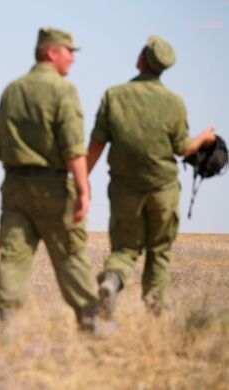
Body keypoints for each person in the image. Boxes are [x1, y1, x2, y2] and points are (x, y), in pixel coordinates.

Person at [87, 36, 216, 317]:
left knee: (123, 249)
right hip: (162, 190)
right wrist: (205, 138)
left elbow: (96, 143)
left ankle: (111, 282)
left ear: (140, 60)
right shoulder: (174, 102)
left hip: (124, 189)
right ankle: (155, 314)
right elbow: (183, 149)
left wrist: (82, 179)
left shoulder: (114, 96)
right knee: (159, 252)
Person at [0, 27, 100, 333]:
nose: (73, 59)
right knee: (69, 252)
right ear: (52, 52)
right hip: (51, 186)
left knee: (13, 256)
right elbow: (72, 147)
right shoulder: (63, 91)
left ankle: (6, 324)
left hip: (14, 185)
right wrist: (82, 188)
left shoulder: (12, 90)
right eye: (70, 52)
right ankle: (90, 319)